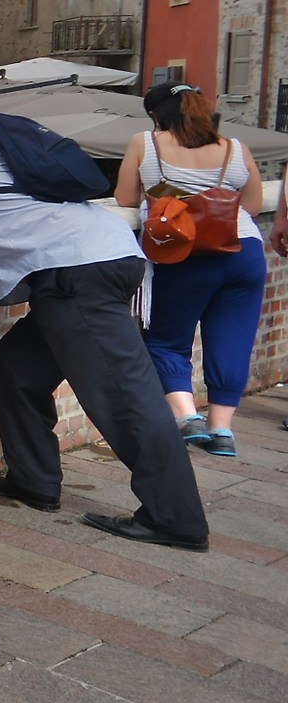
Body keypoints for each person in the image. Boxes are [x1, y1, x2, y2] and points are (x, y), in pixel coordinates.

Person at [0, 76, 208, 551]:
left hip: (76, 272)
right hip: (96, 257)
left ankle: (175, 518)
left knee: (123, 397)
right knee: (19, 364)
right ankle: (33, 479)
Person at [114, 84, 270, 458]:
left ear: (156, 114)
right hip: (241, 252)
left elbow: (125, 199)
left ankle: (188, 418)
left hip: (179, 253)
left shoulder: (145, 143)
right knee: (232, 339)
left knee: (166, 339)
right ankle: (222, 431)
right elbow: (251, 204)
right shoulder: (235, 147)